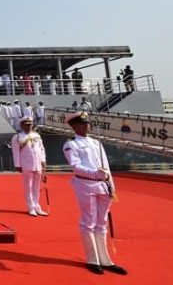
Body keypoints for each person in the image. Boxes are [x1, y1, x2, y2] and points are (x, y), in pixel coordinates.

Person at [63, 111, 127, 276]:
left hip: (103, 186)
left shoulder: (96, 142)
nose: (87, 125)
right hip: (86, 185)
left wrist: (111, 186)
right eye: (82, 123)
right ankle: (92, 259)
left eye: (87, 123)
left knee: (102, 222)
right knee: (88, 222)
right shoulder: (71, 144)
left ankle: (105, 260)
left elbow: (106, 166)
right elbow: (75, 166)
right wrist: (94, 173)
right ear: (74, 126)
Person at [11, 117, 48, 217]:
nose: (28, 126)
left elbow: (41, 149)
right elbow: (15, 152)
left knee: (37, 187)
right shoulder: (17, 137)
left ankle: (37, 206)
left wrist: (43, 160)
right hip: (26, 165)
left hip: (37, 164)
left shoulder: (36, 135)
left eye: (30, 125)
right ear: (22, 125)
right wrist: (17, 165)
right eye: (26, 125)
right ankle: (31, 207)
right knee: (28, 187)